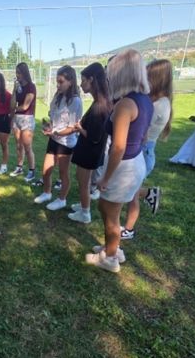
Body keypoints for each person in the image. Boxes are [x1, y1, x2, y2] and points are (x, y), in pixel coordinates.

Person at [85, 49, 153, 273]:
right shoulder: (145, 100)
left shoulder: (125, 105)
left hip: (123, 166)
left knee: (110, 215)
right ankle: (112, 247)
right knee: (107, 209)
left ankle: (111, 258)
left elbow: (118, 147)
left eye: (110, 74)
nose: (108, 78)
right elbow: (143, 135)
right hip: (134, 161)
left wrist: (105, 178)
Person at [120, 59, 173, 239]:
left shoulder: (161, 104)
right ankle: (149, 193)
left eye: (147, 75)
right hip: (141, 149)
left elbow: (140, 127)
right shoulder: (153, 100)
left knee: (132, 194)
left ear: (157, 78)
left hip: (144, 151)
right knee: (129, 190)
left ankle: (129, 229)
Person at [68, 63, 112, 224]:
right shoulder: (100, 101)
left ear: (92, 80)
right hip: (89, 151)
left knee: (83, 182)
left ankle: (85, 213)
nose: (81, 84)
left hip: (89, 151)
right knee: (82, 180)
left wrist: (79, 128)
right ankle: (83, 205)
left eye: (83, 80)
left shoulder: (100, 106)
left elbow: (94, 136)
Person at [33, 65, 82, 210]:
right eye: (57, 81)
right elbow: (55, 119)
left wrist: (54, 132)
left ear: (70, 81)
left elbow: (72, 128)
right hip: (54, 140)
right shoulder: (57, 96)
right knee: (46, 170)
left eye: (61, 82)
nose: (58, 85)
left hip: (66, 143)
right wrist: (49, 126)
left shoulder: (75, 101)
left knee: (63, 173)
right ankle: (47, 193)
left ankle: (62, 199)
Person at [9, 62, 37, 182]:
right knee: (18, 145)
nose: (17, 75)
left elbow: (25, 106)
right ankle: (19, 167)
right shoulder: (18, 86)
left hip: (27, 119)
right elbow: (12, 104)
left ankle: (32, 171)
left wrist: (14, 110)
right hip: (17, 118)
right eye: (16, 72)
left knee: (27, 147)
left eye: (19, 73)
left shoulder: (31, 86)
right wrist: (14, 90)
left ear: (25, 73)